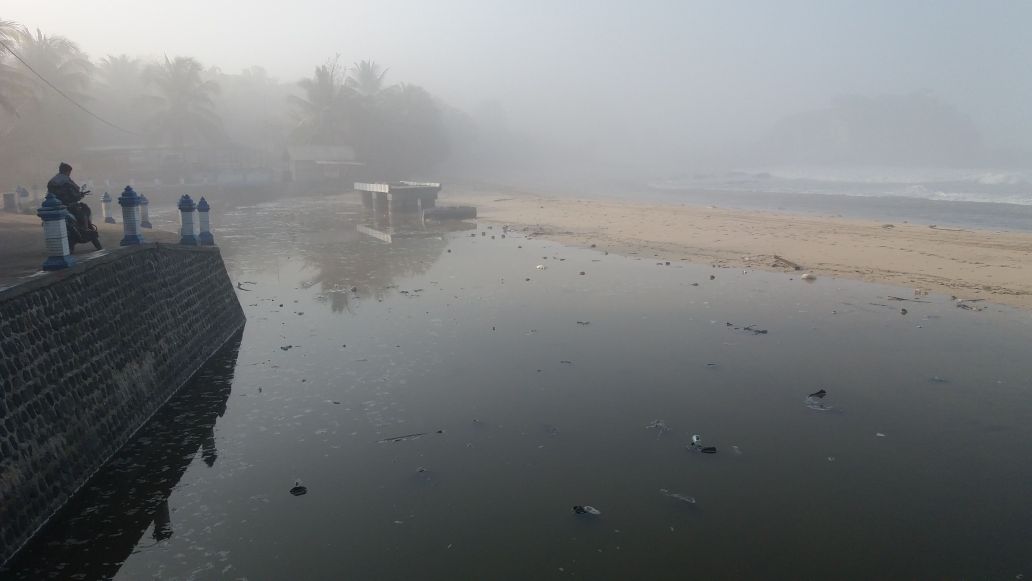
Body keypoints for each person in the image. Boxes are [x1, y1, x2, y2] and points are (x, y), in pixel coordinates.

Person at [46, 162, 100, 249]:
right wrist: (80, 195)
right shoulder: (66, 180)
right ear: (67, 171)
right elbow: (74, 193)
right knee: (84, 210)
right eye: (69, 172)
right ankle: (85, 229)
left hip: (51, 206)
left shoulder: (53, 181)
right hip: (66, 205)